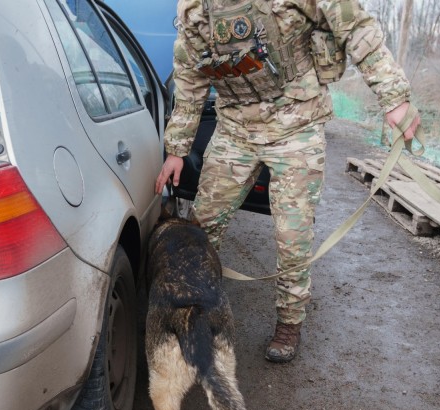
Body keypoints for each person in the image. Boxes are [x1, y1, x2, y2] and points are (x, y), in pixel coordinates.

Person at [155, 0, 421, 363]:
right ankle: (195, 313)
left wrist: (394, 99)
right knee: (202, 227)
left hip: (297, 124)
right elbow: (189, 77)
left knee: (292, 238)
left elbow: (355, 26)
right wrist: (177, 150)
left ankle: (289, 323)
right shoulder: (196, 10)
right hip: (236, 128)